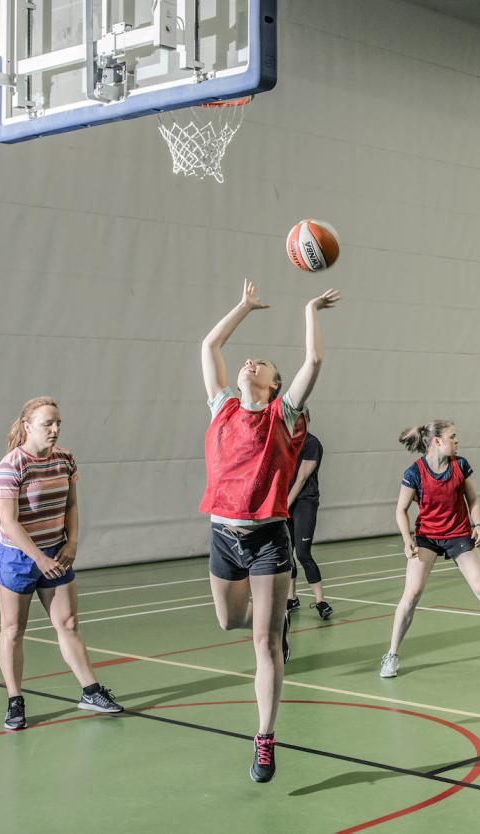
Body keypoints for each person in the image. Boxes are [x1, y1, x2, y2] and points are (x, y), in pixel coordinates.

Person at [199, 278, 339, 782]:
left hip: (266, 539)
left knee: (264, 643)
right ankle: (272, 618)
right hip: (223, 534)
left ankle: (264, 738)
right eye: (248, 361)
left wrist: (309, 310)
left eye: (261, 364)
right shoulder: (223, 408)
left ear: (275, 385)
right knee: (228, 622)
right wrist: (243, 307)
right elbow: (209, 346)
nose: (249, 363)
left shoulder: (284, 415)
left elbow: (314, 361)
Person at [0, 396, 123, 730]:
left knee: (68, 623)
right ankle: (15, 701)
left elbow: (71, 505)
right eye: (47, 423)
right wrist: (38, 558)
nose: (54, 429)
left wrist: (72, 542)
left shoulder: (65, 459)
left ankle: (91, 691)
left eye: (58, 423)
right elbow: (9, 522)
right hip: (18, 557)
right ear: (27, 426)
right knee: (13, 629)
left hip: (56, 551)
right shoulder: (11, 465)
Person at [380, 420, 480, 679]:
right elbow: (401, 509)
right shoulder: (414, 472)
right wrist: (406, 539)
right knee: (411, 594)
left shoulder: (460, 465)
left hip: (458, 534)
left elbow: (473, 500)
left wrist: (478, 525)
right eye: (453, 436)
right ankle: (392, 654)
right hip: (427, 537)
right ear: (438, 441)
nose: (457, 440)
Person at [286, 430, 332, 620]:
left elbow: (302, 478)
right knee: (286, 553)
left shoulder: (311, 443)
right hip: (283, 503)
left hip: (304, 502)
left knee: (303, 553)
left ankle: (321, 602)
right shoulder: (282, 439)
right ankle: (291, 598)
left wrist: (285, 505)